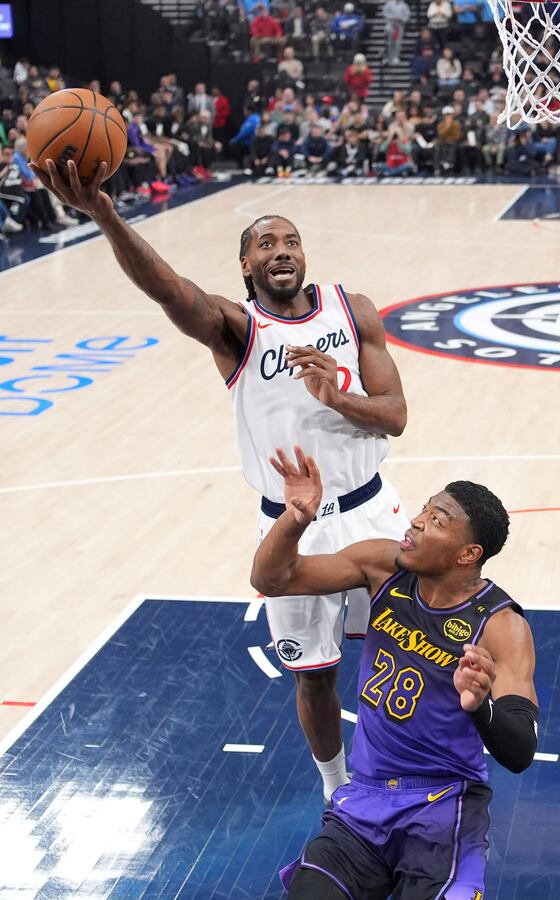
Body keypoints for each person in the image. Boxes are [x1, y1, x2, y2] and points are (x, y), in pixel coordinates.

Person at [30, 163, 409, 804]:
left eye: (290, 241)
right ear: (245, 266)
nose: (281, 251)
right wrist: (105, 215)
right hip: (294, 524)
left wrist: (337, 394)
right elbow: (170, 291)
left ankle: (409, 768)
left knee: (409, 656)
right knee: (316, 676)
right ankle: (335, 791)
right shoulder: (236, 329)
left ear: (304, 254)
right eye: (265, 243)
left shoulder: (355, 310)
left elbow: (395, 415)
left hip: (374, 511)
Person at [251, 447, 539, 900]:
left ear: (469, 553)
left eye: (438, 519)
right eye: (424, 508)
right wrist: (295, 519)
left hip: (443, 808)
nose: (418, 520)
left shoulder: (501, 626)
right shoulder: (383, 566)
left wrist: (481, 706)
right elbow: (272, 580)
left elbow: (521, 750)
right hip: (364, 800)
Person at [382, 0, 412, 64]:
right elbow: (385, 13)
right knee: (389, 42)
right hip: (391, 25)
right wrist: (393, 17)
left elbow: (407, 15)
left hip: (399, 26)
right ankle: (389, 56)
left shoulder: (404, 5)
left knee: (397, 42)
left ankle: (396, 57)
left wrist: (400, 18)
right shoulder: (389, 3)